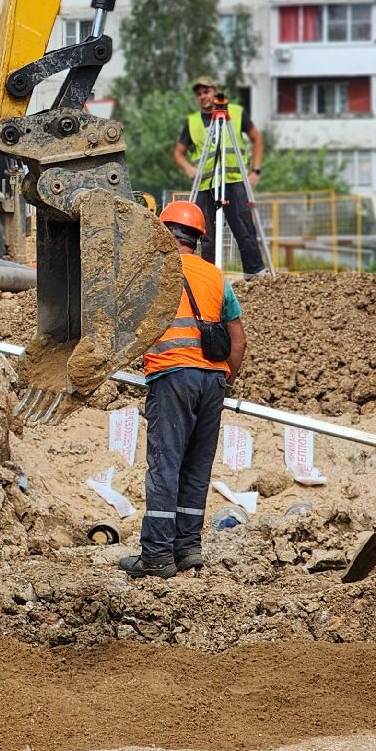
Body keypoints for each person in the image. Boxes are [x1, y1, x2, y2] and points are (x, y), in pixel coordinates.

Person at [120, 201, 247, 580]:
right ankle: (187, 547)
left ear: (162, 234)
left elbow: (125, 327)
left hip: (173, 378)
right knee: (196, 467)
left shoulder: (152, 273)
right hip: (212, 382)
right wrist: (225, 381)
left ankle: (157, 555)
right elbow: (238, 342)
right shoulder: (216, 277)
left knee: (165, 466)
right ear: (197, 239)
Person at [172, 74, 268, 278]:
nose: (202, 96)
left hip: (233, 180)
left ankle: (255, 274)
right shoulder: (192, 122)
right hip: (206, 184)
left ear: (215, 92)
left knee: (244, 228)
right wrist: (189, 169)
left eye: (206, 91)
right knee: (206, 234)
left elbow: (256, 138)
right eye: (199, 94)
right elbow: (178, 153)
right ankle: (209, 277)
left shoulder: (235, 113)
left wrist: (255, 170)